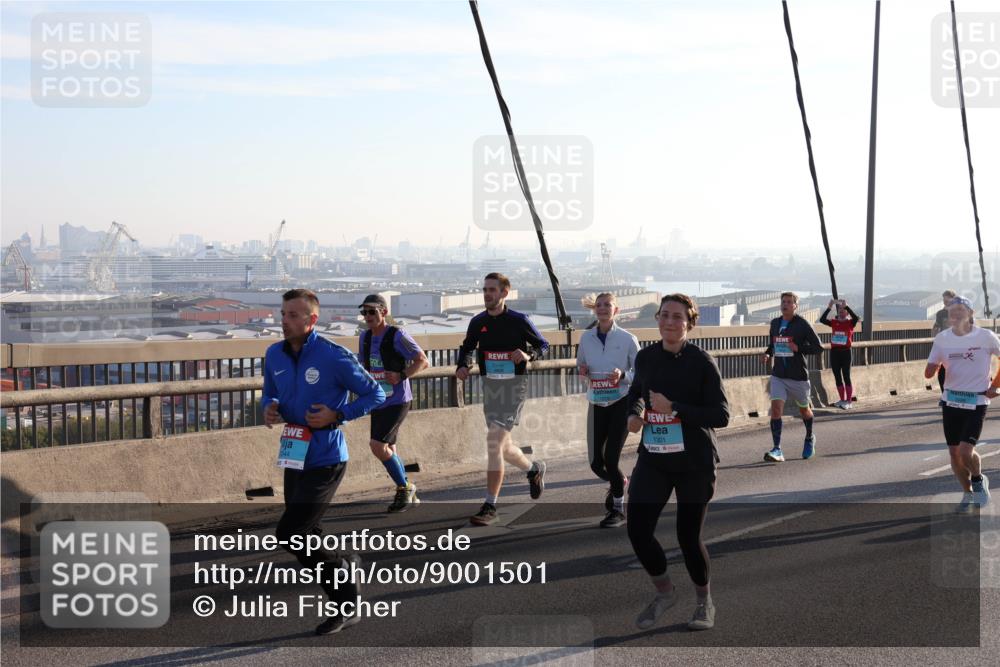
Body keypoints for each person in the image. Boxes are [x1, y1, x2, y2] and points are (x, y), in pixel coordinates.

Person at [263, 288, 386, 635]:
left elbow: (375, 393)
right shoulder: (273, 354)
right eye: (283, 313)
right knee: (308, 531)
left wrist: (338, 414)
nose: (285, 321)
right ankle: (344, 563)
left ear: (312, 319)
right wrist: (268, 408)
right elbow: (269, 392)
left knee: (291, 533)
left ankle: (348, 602)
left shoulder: (333, 356)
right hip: (294, 453)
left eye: (293, 315)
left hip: (327, 458)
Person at [626, 294, 730, 631]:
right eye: (665, 315)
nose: (670, 322)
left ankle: (704, 602)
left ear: (690, 323)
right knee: (638, 530)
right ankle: (665, 593)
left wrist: (676, 408)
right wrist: (636, 413)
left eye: (678, 317)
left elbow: (721, 415)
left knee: (688, 537)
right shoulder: (646, 357)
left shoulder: (702, 362)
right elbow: (637, 393)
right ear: (657, 319)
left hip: (694, 461)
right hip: (655, 456)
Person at [455, 273, 550, 526]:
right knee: (504, 447)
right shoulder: (478, 322)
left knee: (493, 441)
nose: (487, 294)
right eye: (485, 289)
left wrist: (527, 354)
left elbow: (543, 345)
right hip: (490, 390)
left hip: (513, 390)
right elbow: (466, 347)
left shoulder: (519, 320)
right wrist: (463, 365)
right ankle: (533, 470)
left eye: (492, 290)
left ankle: (490, 505)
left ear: (504, 293)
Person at [924, 296, 1000, 512]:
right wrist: (931, 369)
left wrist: (995, 385)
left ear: (970, 313)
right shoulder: (942, 338)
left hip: (976, 400)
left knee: (967, 451)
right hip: (951, 400)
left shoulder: (986, 337)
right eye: (951, 311)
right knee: (954, 453)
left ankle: (978, 480)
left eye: (959, 310)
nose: (955, 314)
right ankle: (967, 493)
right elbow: (931, 368)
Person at [358, 294, 429, 513]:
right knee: (389, 447)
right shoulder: (364, 337)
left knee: (377, 446)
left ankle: (405, 486)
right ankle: (409, 493)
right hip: (377, 399)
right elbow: (362, 365)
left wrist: (401, 375)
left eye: (372, 311)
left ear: (384, 312)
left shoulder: (398, 335)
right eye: (364, 312)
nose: (368, 316)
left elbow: (423, 360)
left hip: (398, 400)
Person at [576, 292, 640, 528]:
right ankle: (619, 481)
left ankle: (618, 509)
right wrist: (582, 371)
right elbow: (580, 365)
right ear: (595, 310)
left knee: (611, 459)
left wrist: (622, 375)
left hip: (620, 403)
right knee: (595, 463)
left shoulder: (628, 338)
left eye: (608, 305)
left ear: (616, 310)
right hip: (596, 402)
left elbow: (639, 373)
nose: (603, 308)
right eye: (599, 305)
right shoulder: (586, 338)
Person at [761, 292, 824, 462]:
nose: (785, 304)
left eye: (789, 302)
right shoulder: (774, 323)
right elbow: (772, 344)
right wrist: (768, 354)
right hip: (779, 375)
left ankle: (810, 436)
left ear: (796, 306)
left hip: (798, 377)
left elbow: (819, 348)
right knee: (775, 410)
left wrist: (798, 348)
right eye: (783, 301)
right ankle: (777, 449)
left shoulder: (802, 324)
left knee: (804, 410)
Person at [818, 298, 860, 409]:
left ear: (846, 311)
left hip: (846, 352)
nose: (841, 310)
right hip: (835, 353)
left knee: (846, 376)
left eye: (843, 309)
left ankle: (849, 401)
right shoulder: (834, 322)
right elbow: (822, 320)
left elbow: (856, 317)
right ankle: (842, 399)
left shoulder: (851, 323)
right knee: (837, 376)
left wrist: (847, 306)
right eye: (839, 309)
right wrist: (829, 306)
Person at [932, 289, 958, 394]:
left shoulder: (960, 312)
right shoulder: (940, 314)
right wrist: (935, 339)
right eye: (944, 301)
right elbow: (936, 327)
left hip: (958, 346)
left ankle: (955, 393)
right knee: (942, 371)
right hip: (944, 346)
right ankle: (944, 394)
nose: (945, 303)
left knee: (956, 372)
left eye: (948, 301)